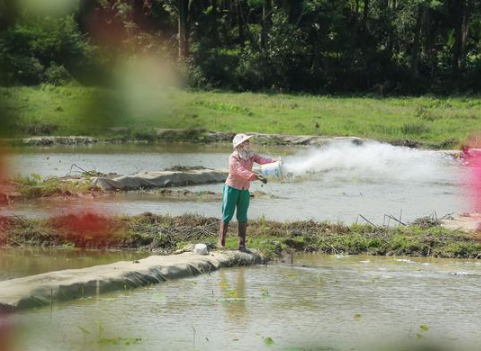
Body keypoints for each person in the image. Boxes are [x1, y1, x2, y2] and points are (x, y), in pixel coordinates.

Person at [219, 133, 278, 252]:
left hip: (244, 190)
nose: (248, 143)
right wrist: (255, 176)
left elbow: (262, 160)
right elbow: (241, 171)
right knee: (227, 214)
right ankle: (221, 243)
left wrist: (273, 161)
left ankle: (242, 245)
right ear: (239, 145)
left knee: (242, 216)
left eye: (248, 141)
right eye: (245, 142)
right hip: (232, 188)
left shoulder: (251, 155)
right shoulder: (233, 158)